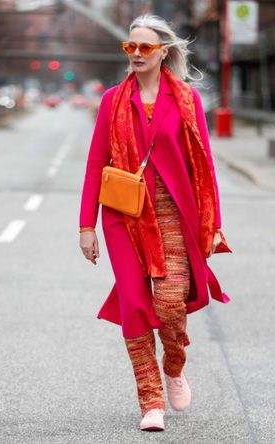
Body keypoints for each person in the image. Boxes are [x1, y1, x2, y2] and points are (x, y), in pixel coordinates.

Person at [79, 14, 231, 432]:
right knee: (135, 306)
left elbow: (203, 165)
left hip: (174, 215)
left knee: (169, 304)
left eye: (145, 47)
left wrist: (212, 220)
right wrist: (86, 226)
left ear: (163, 51)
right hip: (124, 217)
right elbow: (96, 163)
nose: (136, 54)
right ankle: (151, 401)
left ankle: (175, 363)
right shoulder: (113, 100)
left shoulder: (186, 100)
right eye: (130, 47)